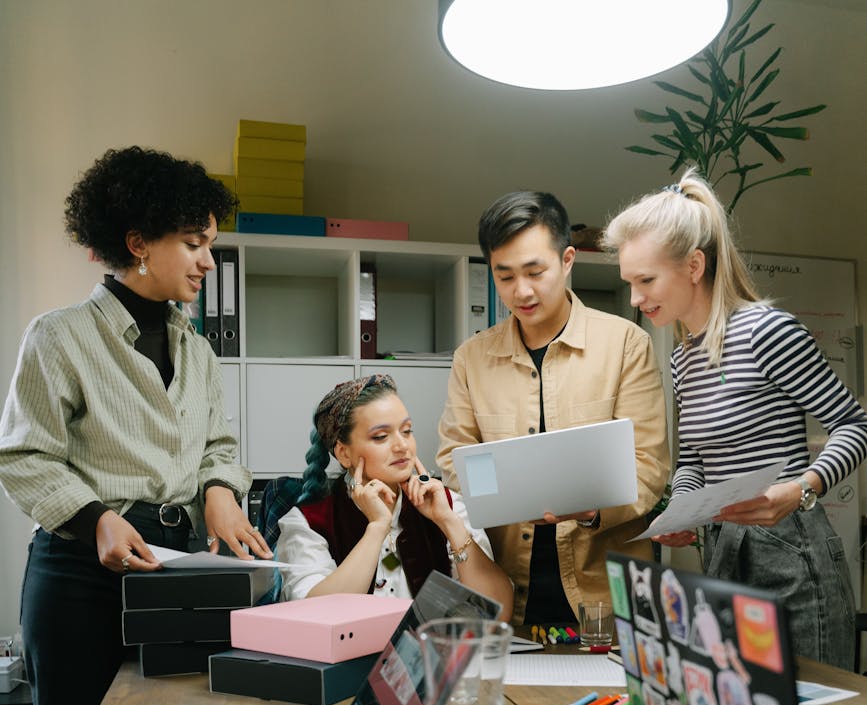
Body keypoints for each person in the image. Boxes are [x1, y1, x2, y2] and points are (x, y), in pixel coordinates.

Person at [0, 145, 271, 705]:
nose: (209, 261)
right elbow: (24, 454)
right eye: (193, 243)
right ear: (138, 242)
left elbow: (220, 445)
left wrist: (220, 495)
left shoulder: (199, 350)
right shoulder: (58, 336)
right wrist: (97, 519)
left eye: (210, 244)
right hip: (79, 578)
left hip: (178, 571)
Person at [602, 168, 867, 668]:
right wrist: (681, 509)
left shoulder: (766, 331)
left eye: (646, 280)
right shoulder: (683, 358)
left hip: (793, 556)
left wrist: (803, 488)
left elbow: (855, 425)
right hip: (723, 554)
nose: (636, 299)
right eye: (629, 283)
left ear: (694, 265)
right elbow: (695, 459)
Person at [436, 190, 670, 626]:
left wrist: (590, 509)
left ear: (566, 261)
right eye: (504, 277)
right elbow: (454, 457)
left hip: (607, 596)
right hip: (509, 593)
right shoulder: (472, 358)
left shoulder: (624, 345)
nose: (520, 291)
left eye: (534, 271)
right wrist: (508, 493)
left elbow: (649, 467)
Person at [274, 373, 514, 616]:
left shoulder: (448, 505)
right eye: (381, 437)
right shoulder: (307, 524)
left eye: (407, 431)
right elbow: (316, 617)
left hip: (430, 653)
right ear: (344, 453)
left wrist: (448, 522)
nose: (402, 446)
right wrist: (377, 527)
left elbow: (499, 614)